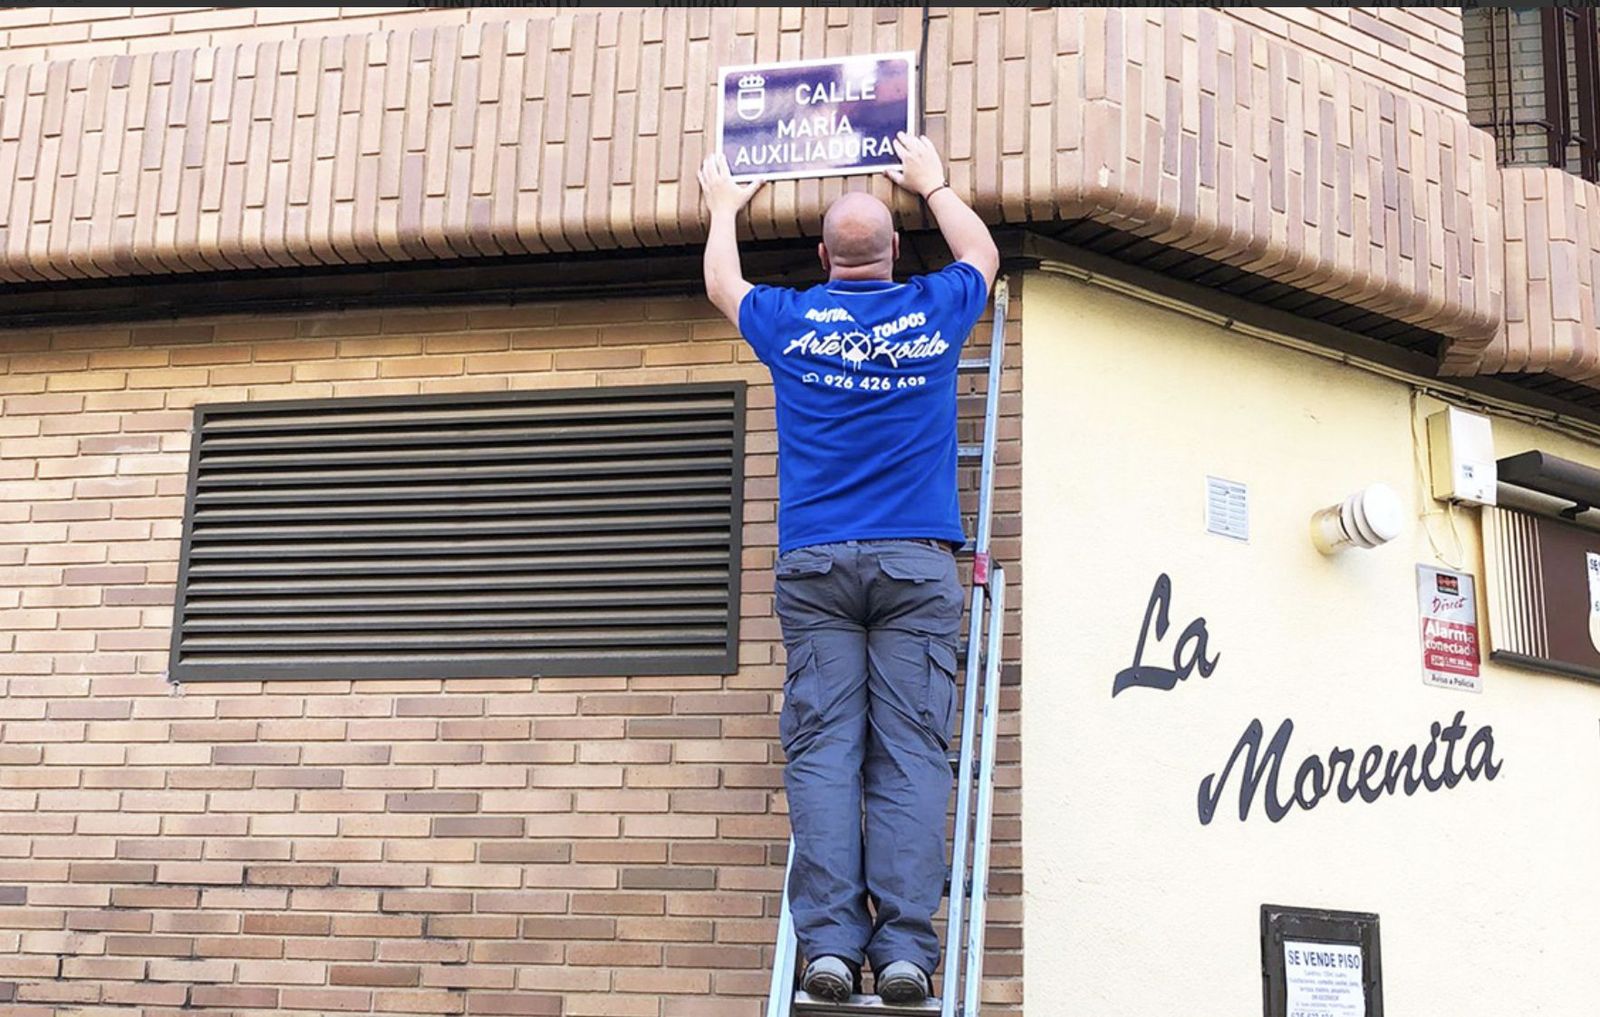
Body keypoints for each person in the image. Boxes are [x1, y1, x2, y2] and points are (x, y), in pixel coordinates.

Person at [698, 133, 999, 1005]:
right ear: (896, 251)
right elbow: (980, 252)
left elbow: (724, 283)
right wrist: (936, 185)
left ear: (826, 258)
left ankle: (828, 950)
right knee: (910, 755)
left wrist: (724, 211)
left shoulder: (792, 321)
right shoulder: (932, 310)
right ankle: (905, 953)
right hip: (915, 563)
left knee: (826, 755)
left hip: (818, 564)